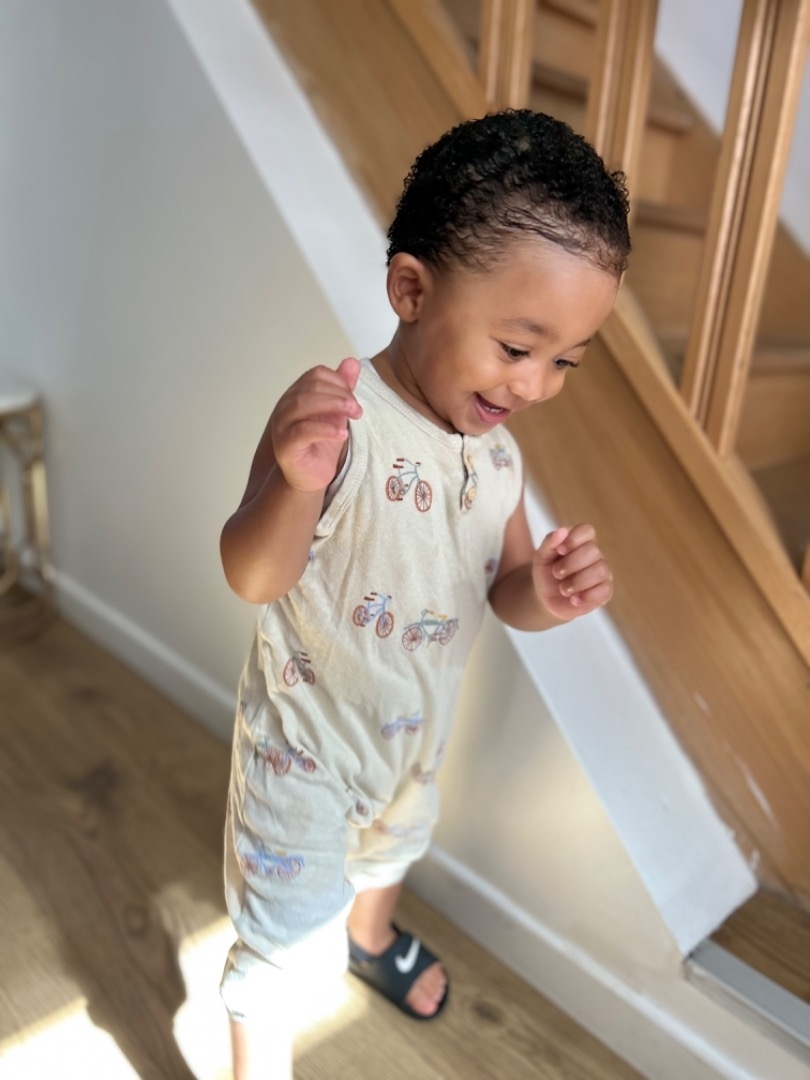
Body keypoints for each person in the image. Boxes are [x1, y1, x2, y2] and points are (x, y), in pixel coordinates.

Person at [219, 109, 630, 1078]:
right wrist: (296, 480)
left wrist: (548, 591)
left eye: (565, 361)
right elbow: (252, 575)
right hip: (303, 753)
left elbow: (505, 593)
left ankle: (370, 940)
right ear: (411, 289)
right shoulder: (335, 417)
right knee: (281, 948)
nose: (536, 385)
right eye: (517, 347)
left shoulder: (499, 459)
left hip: (410, 741)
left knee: (389, 853)